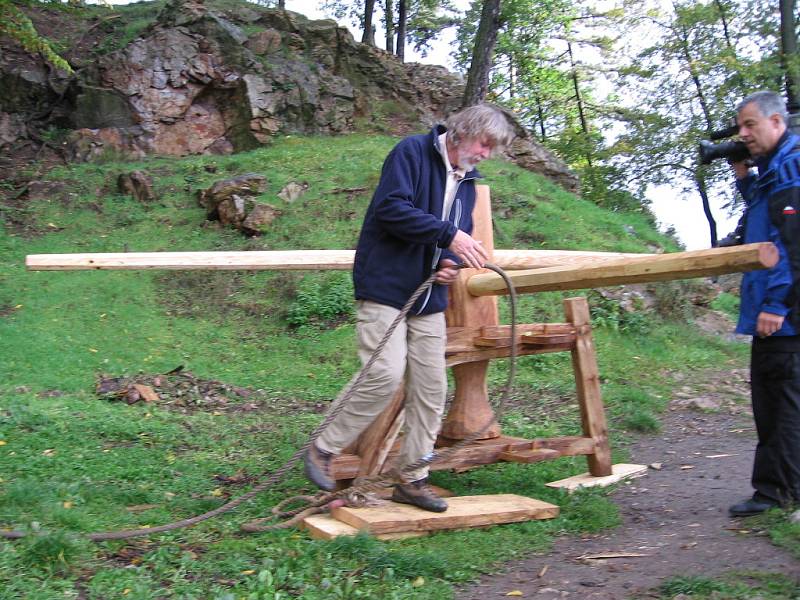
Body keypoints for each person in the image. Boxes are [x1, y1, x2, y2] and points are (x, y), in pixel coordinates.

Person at [303, 104, 516, 512]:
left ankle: (412, 478)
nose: (486, 153)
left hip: (429, 295)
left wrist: (447, 264)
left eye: (493, 148)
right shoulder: (411, 153)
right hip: (386, 285)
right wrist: (449, 236)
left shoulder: (468, 181)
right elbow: (392, 209)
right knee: (384, 374)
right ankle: (322, 447)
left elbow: (459, 232)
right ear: (463, 131)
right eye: (484, 143)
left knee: (432, 388)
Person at [727, 90, 800, 517]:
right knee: (770, 402)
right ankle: (774, 490)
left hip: (785, 315)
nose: (743, 133)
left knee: (782, 404)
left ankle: (780, 494)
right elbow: (763, 219)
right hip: (773, 313)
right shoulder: (775, 171)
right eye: (741, 126)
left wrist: (777, 304)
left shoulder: (791, 168)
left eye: (750, 125)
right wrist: (743, 178)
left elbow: (791, 246)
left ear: (777, 122)